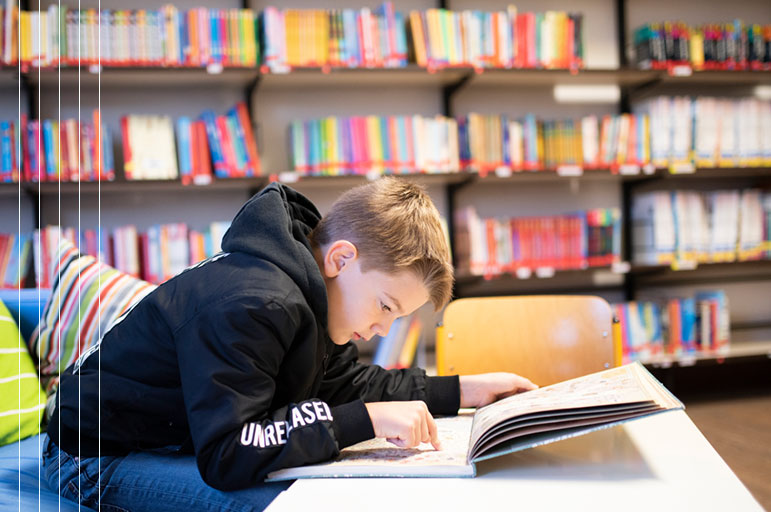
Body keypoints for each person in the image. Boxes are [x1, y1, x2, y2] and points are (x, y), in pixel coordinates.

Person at [42, 178, 536, 511]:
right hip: (89, 454)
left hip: (175, 439)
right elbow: (230, 453)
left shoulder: (312, 293)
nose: (384, 329)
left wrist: (464, 390)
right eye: (386, 306)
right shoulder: (257, 303)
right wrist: (362, 420)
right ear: (341, 259)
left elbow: (351, 382)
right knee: (295, 502)